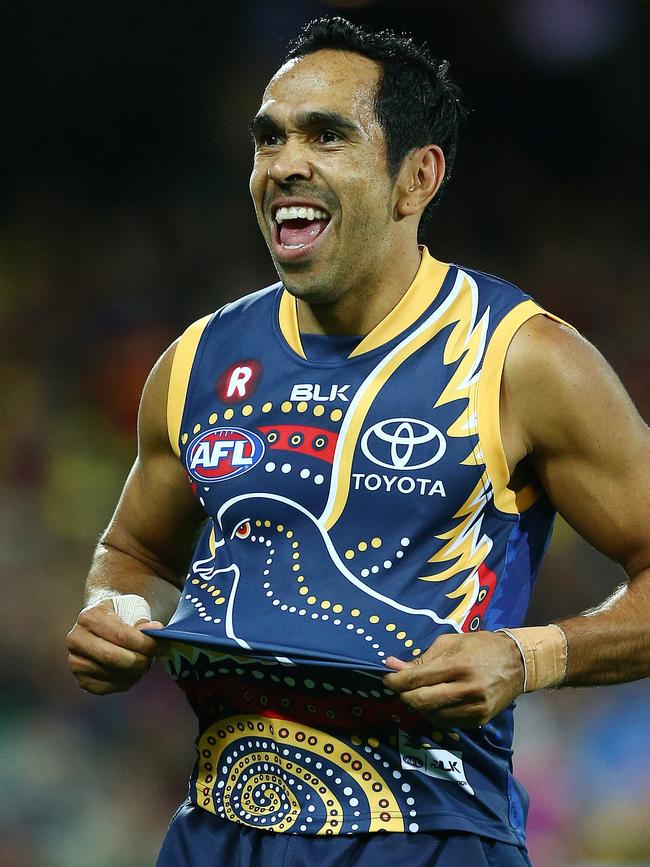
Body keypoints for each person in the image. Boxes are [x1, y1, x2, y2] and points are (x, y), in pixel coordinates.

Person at [65, 16, 650, 867]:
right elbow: (133, 553)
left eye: (327, 135)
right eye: (270, 138)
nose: (285, 163)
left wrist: (529, 657)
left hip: (427, 839)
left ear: (417, 176)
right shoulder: (195, 362)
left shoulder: (525, 359)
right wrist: (110, 614)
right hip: (217, 833)